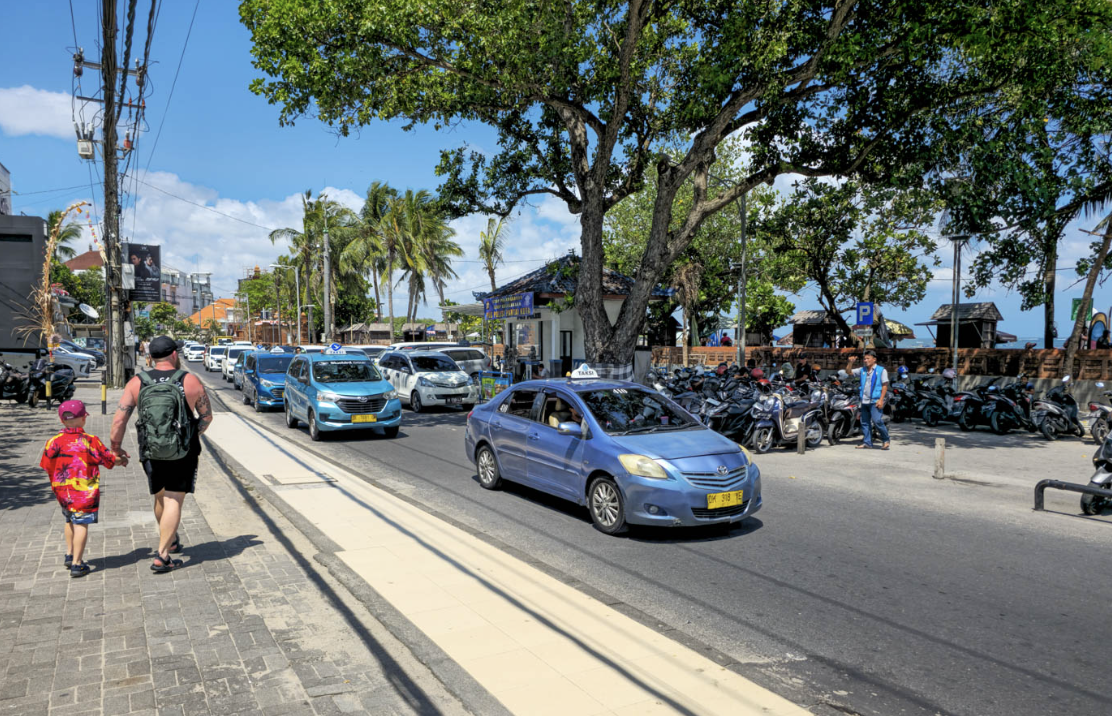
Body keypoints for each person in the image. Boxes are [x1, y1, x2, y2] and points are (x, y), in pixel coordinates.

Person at [110, 336, 213, 573]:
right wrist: (192, 435)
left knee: (160, 496)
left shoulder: (137, 382)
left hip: (150, 449)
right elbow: (206, 417)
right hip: (182, 451)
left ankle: (171, 539)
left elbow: (119, 420)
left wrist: (115, 449)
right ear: (175, 355)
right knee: (173, 499)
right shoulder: (190, 380)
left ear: (151, 357)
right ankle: (163, 554)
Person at [40, 400, 124, 577]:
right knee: (81, 524)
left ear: (62, 421)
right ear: (84, 419)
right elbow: (108, 460)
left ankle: (70, 554)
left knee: (69, 520)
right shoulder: (90, 441)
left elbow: (46, 465)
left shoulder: (53, 442)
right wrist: (121, 459)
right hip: (83, 494)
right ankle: (77, 564)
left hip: (63, 493)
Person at [847, 349, 890, 450]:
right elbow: (848, 372)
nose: (865, 360)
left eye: (868, 358)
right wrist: (850, 363)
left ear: (874, 359)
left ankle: (886, 440)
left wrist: (881, 400)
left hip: (875, 400)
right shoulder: (862, 370)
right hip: (864, 400)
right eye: (864, 359)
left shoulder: (881, 370)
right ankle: (867, 442)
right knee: (864, 422)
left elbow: (885, 385)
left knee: (877, 421)